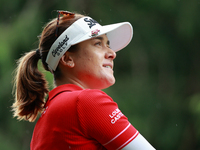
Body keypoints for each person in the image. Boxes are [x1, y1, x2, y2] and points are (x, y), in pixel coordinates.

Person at [12, 10, 156, 150]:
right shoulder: (85, 102)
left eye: (108, 44)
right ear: (67, 59)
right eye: (98, 44)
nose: (112, 53)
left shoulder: (46, 117)